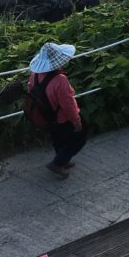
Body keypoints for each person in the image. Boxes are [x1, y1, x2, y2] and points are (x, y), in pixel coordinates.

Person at [27, 42, 87, 179]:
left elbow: (30, 91)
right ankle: (58, 163)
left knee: (58, 139)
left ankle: (63, 160)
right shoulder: (60, 80)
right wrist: (76, 121)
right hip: (62, 118)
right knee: (78, 139)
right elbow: (68, 104)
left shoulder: (34, 75)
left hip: (47, 116)